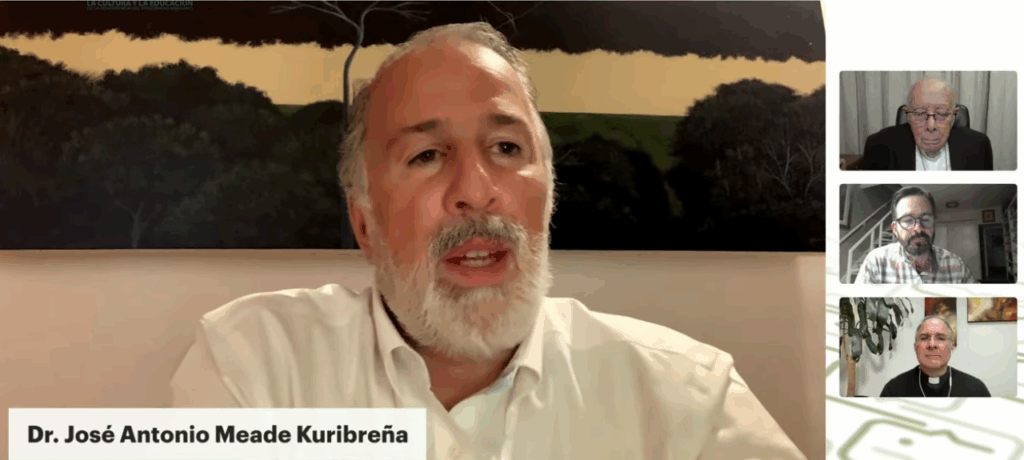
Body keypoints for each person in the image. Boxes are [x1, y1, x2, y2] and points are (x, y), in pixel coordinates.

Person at [168, 22, 806, 460]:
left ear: (548, 194)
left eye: (506, 147)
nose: (476, 192)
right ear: (364, 223)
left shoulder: (686, 396)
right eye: (426, 155)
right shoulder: (257, 365)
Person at [861, 77, 993, 171]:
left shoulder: (979, 146)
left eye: (941, 114)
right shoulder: (878, 146)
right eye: (919, 114)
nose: (931, 126)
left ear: (954, 115)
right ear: (907, 115)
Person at [854, 186, 977, 284]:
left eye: (926, 219)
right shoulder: (876, 262)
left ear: (934, 224)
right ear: (894, 229)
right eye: (908, 220)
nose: (918, 228)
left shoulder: (957, 266)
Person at [880, 316, 991, 397]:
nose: (932, 345)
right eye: (924, 338)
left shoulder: (976, 389)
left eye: (941, 338)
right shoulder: (893, 390)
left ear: (952, 347)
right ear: (915, 347)